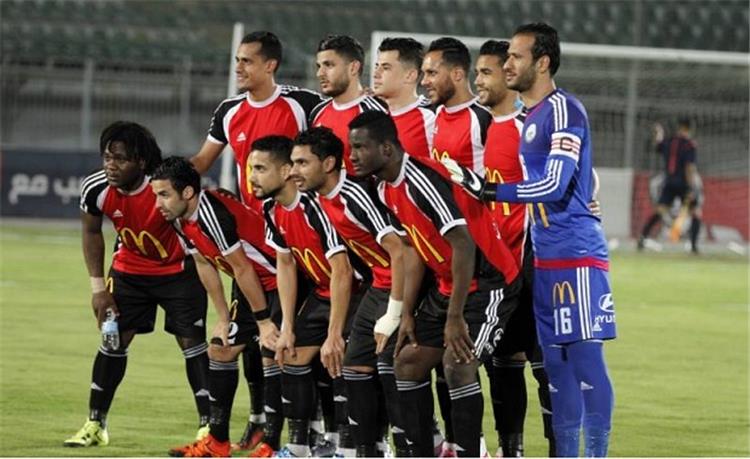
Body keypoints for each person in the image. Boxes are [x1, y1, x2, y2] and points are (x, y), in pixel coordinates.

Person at [443, 23, 617, 457]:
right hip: (545, 258)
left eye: (516, 57)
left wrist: (487, 189)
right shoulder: (533, 116)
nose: (507, 65)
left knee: (584, 364)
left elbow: (555, 184)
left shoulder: (564, 110)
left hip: (576, 254)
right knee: (556, 370)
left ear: (542, 62)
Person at [348, 110, 521, 458]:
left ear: (386, 149)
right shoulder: (384, 188)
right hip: (446, 287)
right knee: (407, 362)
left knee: (458, 364)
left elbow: (463, 244)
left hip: (489, 285)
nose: (352, 155)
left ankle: (471, 453)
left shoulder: (421, 180)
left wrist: (454, 318)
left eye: (360, 147)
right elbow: (414, 248)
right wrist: (406, 314)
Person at [190, 30, 323, 450]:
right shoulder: (229, 111)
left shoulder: (302, 104)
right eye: (237, 60)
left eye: (247, 61)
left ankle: (306, 431)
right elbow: (201, 162)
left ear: (270, 65)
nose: (239, 68)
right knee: (248, 342)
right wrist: (168, 181)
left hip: (299, 241)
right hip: (250, 245)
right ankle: (257, 423)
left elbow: (331, 141)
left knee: (291, 343)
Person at [65, 122, 210, 447]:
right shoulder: (96, 188)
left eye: (120, 159)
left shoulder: (163, 189)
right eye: (107, 157)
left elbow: (195, 231)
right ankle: (95, 424)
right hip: (128, 274)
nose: (111, 166)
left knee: (193, 344)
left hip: (178, 273)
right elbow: (91, 232)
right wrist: (98, 289)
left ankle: (208, 427)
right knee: (112, 342)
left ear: (141, 162)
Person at [291, 126, 414, 456]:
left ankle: (408, 448)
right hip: (378, 285)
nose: (293, 171)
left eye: (302, 163)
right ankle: (363, 451)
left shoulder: (355, 195)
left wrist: (395, 312)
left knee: (392, 371)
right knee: (354, 367)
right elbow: (341, 268)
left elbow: (400, 251)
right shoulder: (320, 202)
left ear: (328, 163)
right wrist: (333, 334)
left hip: (406, 284)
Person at [150, 157, 283, 458]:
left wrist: (263, 322)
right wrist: (223, 317)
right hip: (252, 285)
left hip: (279, 281)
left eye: (164, 194)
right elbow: (203, 262)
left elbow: (242, 268)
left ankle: (272, 445)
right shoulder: (180, 217)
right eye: (156, 195)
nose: (158, 204)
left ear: (187, 193)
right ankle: (217, 442)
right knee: (220, 350)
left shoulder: (211, 213)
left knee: (273, 355)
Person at [250, 135, 362, 457]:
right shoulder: (271, 209)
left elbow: (343, 271)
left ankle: (349, 449)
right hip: (322, 293)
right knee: (291, 354)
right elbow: (285, 265)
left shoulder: (315, 206)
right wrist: (287, 326)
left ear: (286, 171)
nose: (252, 177)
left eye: (260, 169)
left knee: (342, 361)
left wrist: (334, 333)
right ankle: (299, 447)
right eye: (251, 168)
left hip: (354, 293)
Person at [474, 39, 556, 457]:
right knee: (502, 364)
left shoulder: (532, 126)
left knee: (546, 367)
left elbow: (568, 178)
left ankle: (560, 450)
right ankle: (512, 451)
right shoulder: (482, 126)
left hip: (534, 264)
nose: (480, 81)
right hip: (498, 265)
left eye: (487, 72)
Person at [310, 34, 388, 171]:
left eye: (329, 65)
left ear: (353, 67)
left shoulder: (376, 114)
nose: (320, 73)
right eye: (319, 66)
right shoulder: (317, 111)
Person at [422, 37, 492, 175]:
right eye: (424, 74)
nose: (424, 81)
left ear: (457, 74)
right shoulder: (437, 112)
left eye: (432, 73)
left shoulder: (483, 118)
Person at [638, 118, 702, 253]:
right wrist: (691, 187)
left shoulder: (670, 142)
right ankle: (694, 246)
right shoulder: (689, 144)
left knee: (660, 211)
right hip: (684, 183)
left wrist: (659, 133)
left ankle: (642, 238)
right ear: (688, 128)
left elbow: (658, 145)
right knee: (695, 213)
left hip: (669, 183)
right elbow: (689, 167)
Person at [373, 37, 435, 158]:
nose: (376, 74)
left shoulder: (432, 117)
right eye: (376, 66)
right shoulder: (372, 116)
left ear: (410, 75)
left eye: (386, 68)